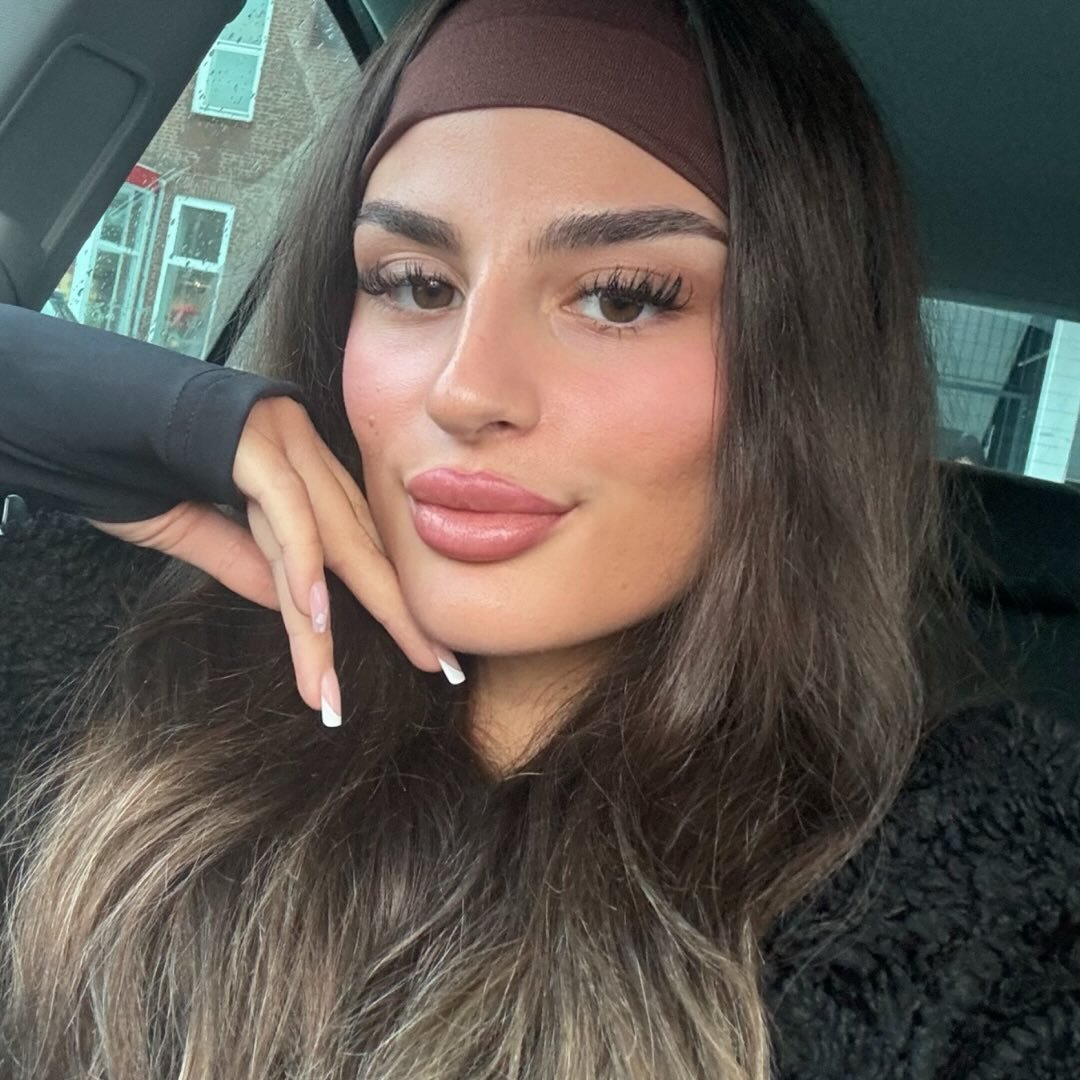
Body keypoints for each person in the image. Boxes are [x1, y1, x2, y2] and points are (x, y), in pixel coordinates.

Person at [0, 0, 1076, 1076]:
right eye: (414, 285)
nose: (466, 391)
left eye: (622, 299)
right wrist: (139, 409)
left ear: (805, 374)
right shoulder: (114, 655)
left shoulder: (967, 884)